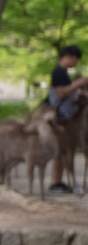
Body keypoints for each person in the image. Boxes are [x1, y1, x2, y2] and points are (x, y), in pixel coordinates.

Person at [52, 45, 83, 192]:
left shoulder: (63, 72)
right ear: (68, 57)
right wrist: (78, 83)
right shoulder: (58, 72)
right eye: (75, 59)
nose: (76, 63)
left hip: (66, 115)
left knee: (65, 150)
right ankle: (55, 182)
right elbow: (60, 93)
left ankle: (59, 181)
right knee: (61, 150)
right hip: (61, 117)